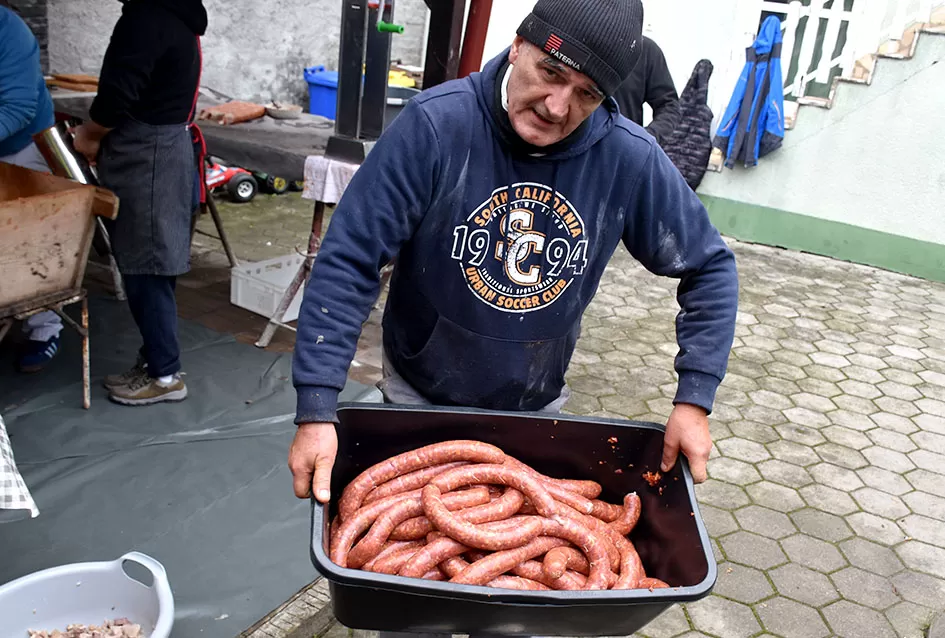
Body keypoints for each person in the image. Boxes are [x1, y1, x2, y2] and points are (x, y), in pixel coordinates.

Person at [288, 0, 738, 508]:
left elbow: (710, 266)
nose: (556, 106)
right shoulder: (435, 126)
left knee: (508, 564)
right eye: (550, 72)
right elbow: (349, 260)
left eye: (586, 94)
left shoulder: (627, 159)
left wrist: (694, 400)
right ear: (519, 45)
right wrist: (318, 407)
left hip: (535, 409)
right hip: (418, 397)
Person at [72, 0, 207, 406]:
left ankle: (165, 376)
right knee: (150, 264)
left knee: (147, 268)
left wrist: (90, 135)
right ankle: (155, 361)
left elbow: (117, 96)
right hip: (161, 149)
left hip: (148, 156)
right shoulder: (179, 15)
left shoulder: (147, 18)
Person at [0, 1, 64, 373]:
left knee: (35, 239)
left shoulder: (11, 32)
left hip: (25, 145)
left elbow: (19, 107)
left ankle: (46, 328)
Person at [611, 35, 681, 146]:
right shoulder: (581, 39)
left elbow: (669, 106)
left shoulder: (646, 51)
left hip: (624, 154)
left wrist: (646, 138)